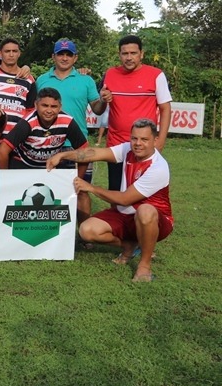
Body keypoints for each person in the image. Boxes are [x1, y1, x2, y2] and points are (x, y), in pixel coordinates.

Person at [47, 119, 173, 282]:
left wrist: (91, 188)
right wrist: (63, 155)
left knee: (145, 211)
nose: (138, 143)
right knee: (86, 230)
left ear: (155, 141)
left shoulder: (158, 168)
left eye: (144, 139)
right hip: (126, 215)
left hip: (156, 220)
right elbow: (95, 153)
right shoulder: (128, 149)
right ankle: (129, 245)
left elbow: (125, 199)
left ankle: (144, 266)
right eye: (134, 138)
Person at [37, 39, 108, 221]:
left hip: (78, 145)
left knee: (81, 190)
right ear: (53, 56)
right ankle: (53, 231)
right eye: (61, 54)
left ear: (75, 58)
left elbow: (97, 109)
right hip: (48, 143)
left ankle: (84, 234)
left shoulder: (86, 80)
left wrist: (103, 100)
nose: (64, 58)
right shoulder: (42, 79)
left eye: (69, 54)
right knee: (47, 189)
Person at [101, 35, 172, 190]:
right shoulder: (110, 74)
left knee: (142, 195)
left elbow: (165, 108)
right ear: (119, 54)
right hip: (116, 145)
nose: (129, 57)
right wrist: (104, 97)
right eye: (125, 53)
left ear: (142, 54)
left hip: (143, 145)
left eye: (133, 53)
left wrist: (160, 140)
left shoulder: (156, 75)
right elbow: (101, 103)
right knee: (115, 191)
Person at [0, 87, 88, 174]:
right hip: (23, 164)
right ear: (36, 105)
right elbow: (2, 151)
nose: (49, 110)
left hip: (50, 167)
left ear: (60, 107)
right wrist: (5, 179)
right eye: (45, 105)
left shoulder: (67, 122)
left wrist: (79, 180)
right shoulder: (27, 123)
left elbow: (85, 151)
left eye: (54, 106)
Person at [0, 38, 36, 134]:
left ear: (19, 53)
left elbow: (31, 110)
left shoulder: (29, 79)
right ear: (0, 53)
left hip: (16, 136)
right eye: (7, 51)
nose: (11, 54)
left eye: (14, 51)